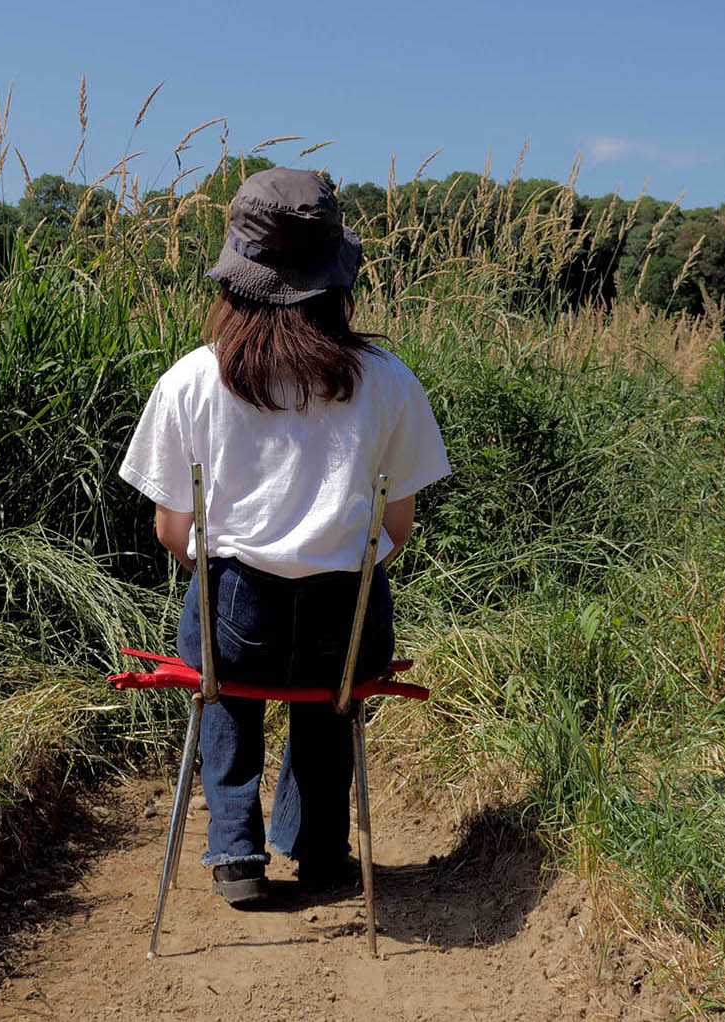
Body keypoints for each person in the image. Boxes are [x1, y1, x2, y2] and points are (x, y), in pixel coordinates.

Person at [119, 168, 451, 907]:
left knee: (225, 686)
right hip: (346, 617)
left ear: (236, 279)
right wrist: (319, 558)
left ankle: (236, 851)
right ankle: (320, 845)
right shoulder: (390, 382)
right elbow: (396, 529)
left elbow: (174, 529)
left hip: (238, 617)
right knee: (331, 695)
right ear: (337, 278)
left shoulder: (190, 382)